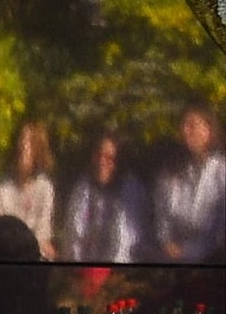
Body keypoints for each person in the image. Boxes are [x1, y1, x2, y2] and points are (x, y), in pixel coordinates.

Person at [59, 130, 154, 264]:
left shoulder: (132, 190)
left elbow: (125, 242)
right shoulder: (83, 187)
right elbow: (73, 233)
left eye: (109, 157)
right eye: (98, 155)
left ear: (119, 162)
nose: (101, 162)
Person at [158, 105, 226, 262]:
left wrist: (191, 251)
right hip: (171, 256)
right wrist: (166, 242)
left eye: (191, 125)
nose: (185, 131)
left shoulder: (222, 172)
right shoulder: (171, 172)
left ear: (207, 130)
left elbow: (220, 232)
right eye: (183, 125)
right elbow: (162, 215)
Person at [0, 118, 59, 244]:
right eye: (21, 141)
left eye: (28, 144)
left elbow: (43, 233)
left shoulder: (45, 189)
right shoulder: (4, 187)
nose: (22, 147)